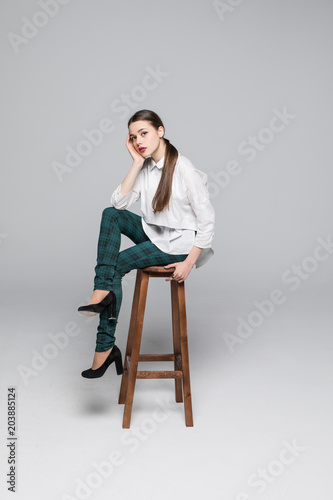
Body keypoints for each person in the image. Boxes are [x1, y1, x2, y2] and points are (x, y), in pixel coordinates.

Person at [78, 109, 215, 379]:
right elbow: (119, 203)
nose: (139, 140)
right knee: (110, 215)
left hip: (178, 243)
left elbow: (208, 221)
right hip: (155, 234)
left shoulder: (183, 168)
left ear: (160, 131)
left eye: (144, 133)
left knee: (116, 266)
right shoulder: (147, 167)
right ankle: (101, 289)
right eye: (133, 136)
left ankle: (105, 348)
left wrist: (189, 262)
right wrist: (136, 163)